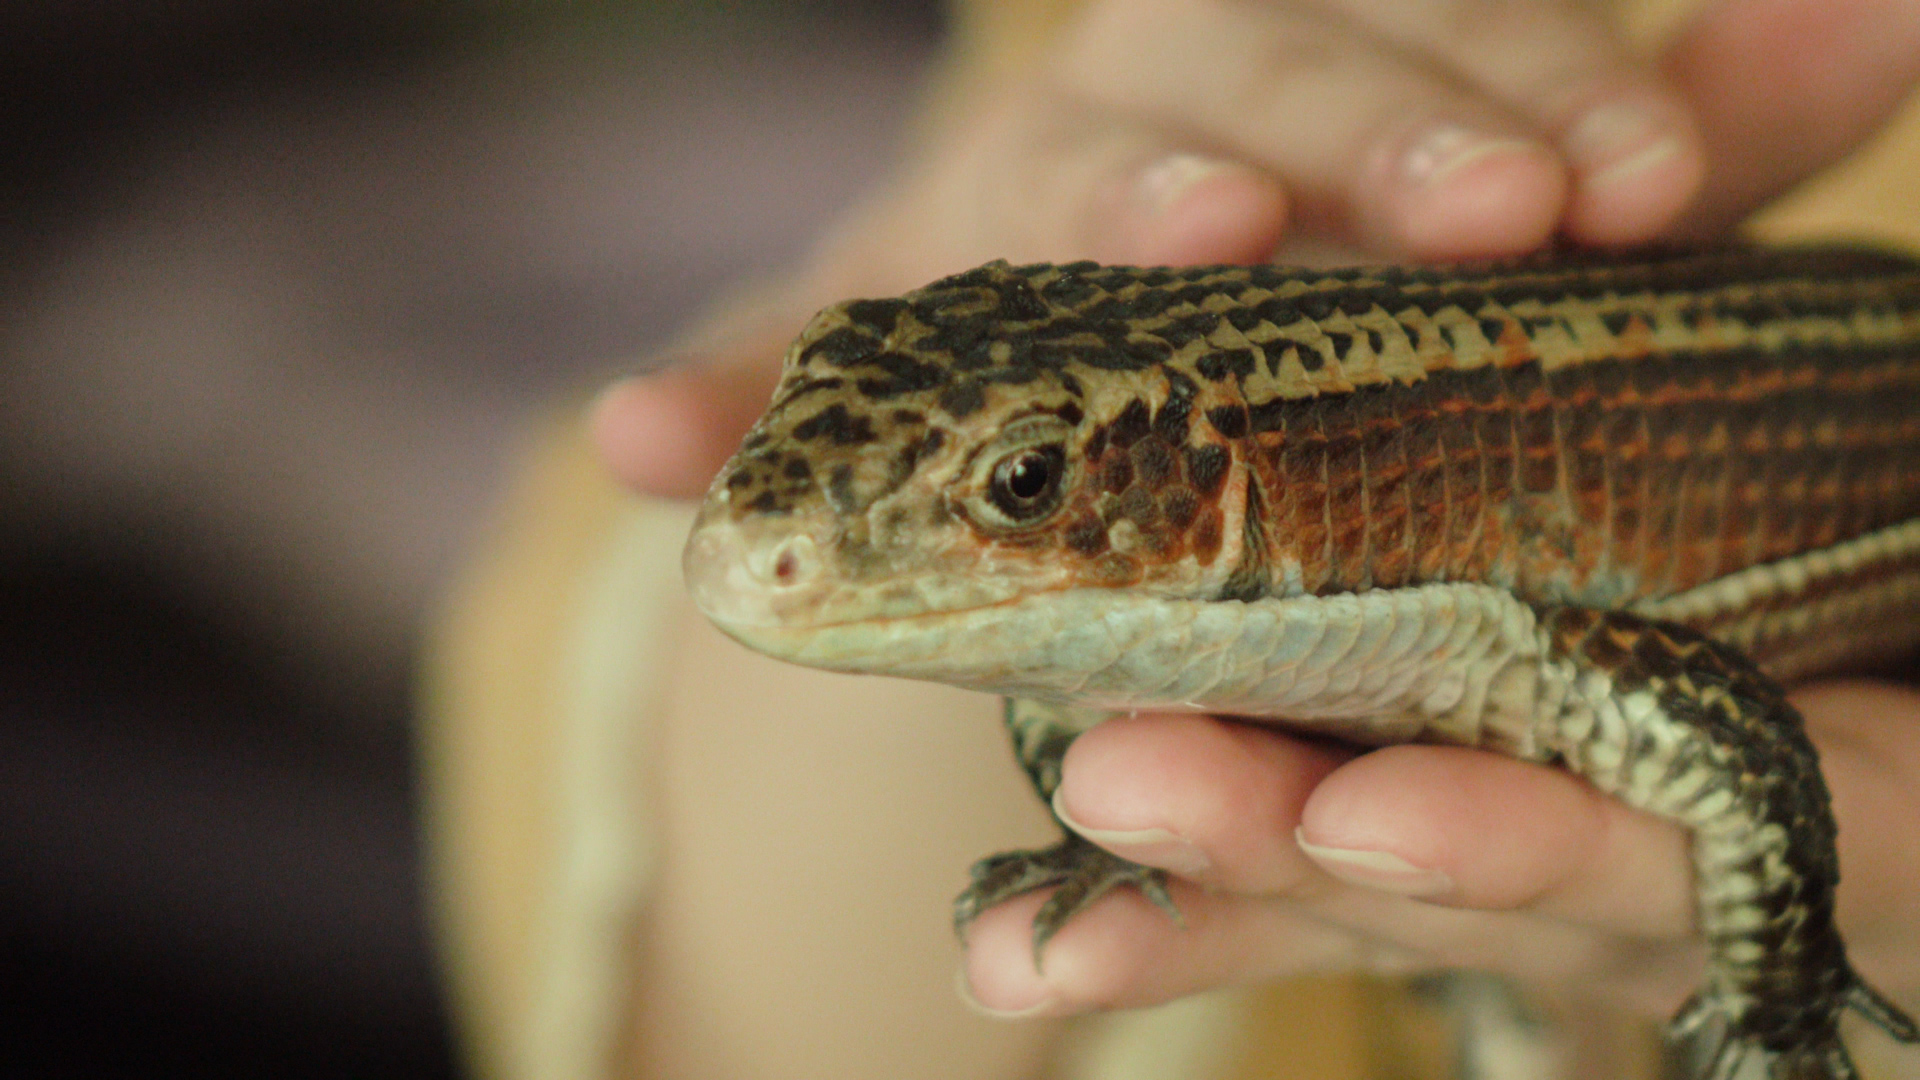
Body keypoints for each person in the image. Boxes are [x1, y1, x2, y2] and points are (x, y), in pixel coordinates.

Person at [438, 1, 1920, 1077]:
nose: (757, 552)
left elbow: (1741, 755)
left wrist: (1779, 995)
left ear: (1199, 480)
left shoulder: (1502, 597)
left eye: (1020, 486)